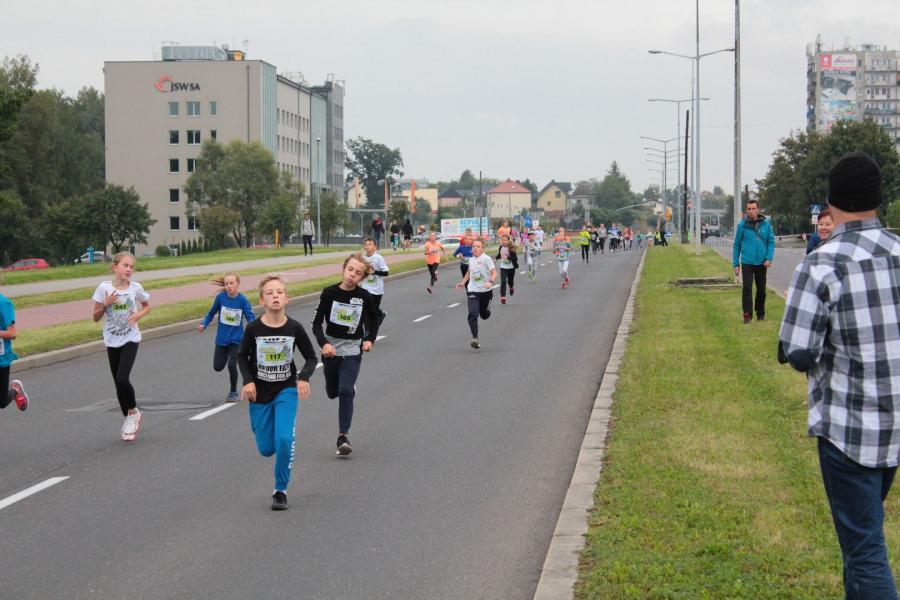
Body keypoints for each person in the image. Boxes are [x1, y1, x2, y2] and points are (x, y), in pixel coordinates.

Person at [778, 151, 900, 598]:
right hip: (894, 424)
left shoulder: (821, 263)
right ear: (878, 198)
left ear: (830, 203)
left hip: (849, 430)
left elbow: (798, 351)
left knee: (865, 549)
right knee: (859, 542)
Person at [238, 274, 317, 510]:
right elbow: (241, 356)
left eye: (280, 292)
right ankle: (272, 440)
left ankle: (280, 490)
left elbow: (311, 357)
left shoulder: (294, 327)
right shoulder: (253, 328)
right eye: (270, 293)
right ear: (262, 300)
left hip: (286, 390)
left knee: (284, 440)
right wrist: (248, 381)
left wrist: (303, 377)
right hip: (259, 393)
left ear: (286, 298)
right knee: (266, 448)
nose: (275, 296)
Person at [311, 253, 381, 457]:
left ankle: (343, 436)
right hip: (331, 350)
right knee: (333, 392)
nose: (352, 275)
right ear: (344, 269)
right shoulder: (329, 293)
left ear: (361, 278)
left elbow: (374, 318)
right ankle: (346, 387)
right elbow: (316, 323)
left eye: (358, 273)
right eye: (350, 269)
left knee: (345, 390)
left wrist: (370, 339)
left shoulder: (364, 296)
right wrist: (324, 343)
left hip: (352, 349)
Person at [91, 252, 151, 441]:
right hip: (112, 340)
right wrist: (105, 304)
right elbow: (95, 317)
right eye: (125, 265)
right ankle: (128, 417)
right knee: (118, 383)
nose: (129, 269)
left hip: (131, 338)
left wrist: (139, 314)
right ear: (114, 267)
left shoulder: (135, 288)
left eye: (131, 266)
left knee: (123, 378)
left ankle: (133, 412)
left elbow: (147, 306)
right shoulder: (104, 288)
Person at [198, 272, 256, 402]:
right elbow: (211, 313)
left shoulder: (242, 300)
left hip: (237, 340)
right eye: (226, 284)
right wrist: (204, 324)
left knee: (231, 364)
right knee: (218, 367)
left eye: (231, 283)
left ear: (238, 284)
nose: (229, 286)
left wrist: (255, 330)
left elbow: (250, 317)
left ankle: (233, 391)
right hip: (222, 339)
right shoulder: (220, 298)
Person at [732, 199, 775, 324]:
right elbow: (736, 245)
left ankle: (760, 313)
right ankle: (747, 314)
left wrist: (769, 258)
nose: (751, 211)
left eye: (753, 208)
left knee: (761, 289)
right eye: (749, 209)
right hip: (747, 262)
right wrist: (736, 264)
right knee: (747, 288)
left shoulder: (766, 224)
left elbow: (771, 242)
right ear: (746, 211)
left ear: (758, 210)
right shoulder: (742, 226)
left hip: (762, 262)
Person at [455, 239, 496, 349]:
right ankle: (475, 338)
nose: (475, 248)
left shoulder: (486, 259)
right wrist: (463, 282)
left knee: (484, 315)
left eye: (478, 246)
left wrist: (490, 282)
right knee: (472, 314)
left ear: (482, 248)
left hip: (486, 291)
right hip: (473, 290)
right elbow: (469, 272)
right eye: (474, 246)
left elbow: (494, 273)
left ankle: (486, 312)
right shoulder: (471, 260)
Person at [0, 292, 29, 412]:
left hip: (1, 359)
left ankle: (16, 390)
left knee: (2, 402)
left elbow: (12, 333)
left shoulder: (4, 303)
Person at [360, 238, 389, 326]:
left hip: (377, 289)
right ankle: (367, 330)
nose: (367, 246)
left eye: (370, 244)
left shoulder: (379, 258)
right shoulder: (362, 258)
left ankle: (380, 314)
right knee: (365, 309)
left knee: (373, 309)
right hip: (366, 287)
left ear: (375, 247)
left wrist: (375, 272)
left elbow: (386, 273)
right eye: (365, 245)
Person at [496, 235, 519, 304]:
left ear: (509, 241)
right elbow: (499, 254)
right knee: (503, 281)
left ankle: (511, 287)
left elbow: (515, 259)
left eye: (505, 240)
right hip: (503, 267)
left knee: (510, 281)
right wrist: (495, 259)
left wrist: (508, 257)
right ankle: (503, 297)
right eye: (502, 240)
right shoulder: (501, 247)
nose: (503, 241)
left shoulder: (511, 248)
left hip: (511, 267)